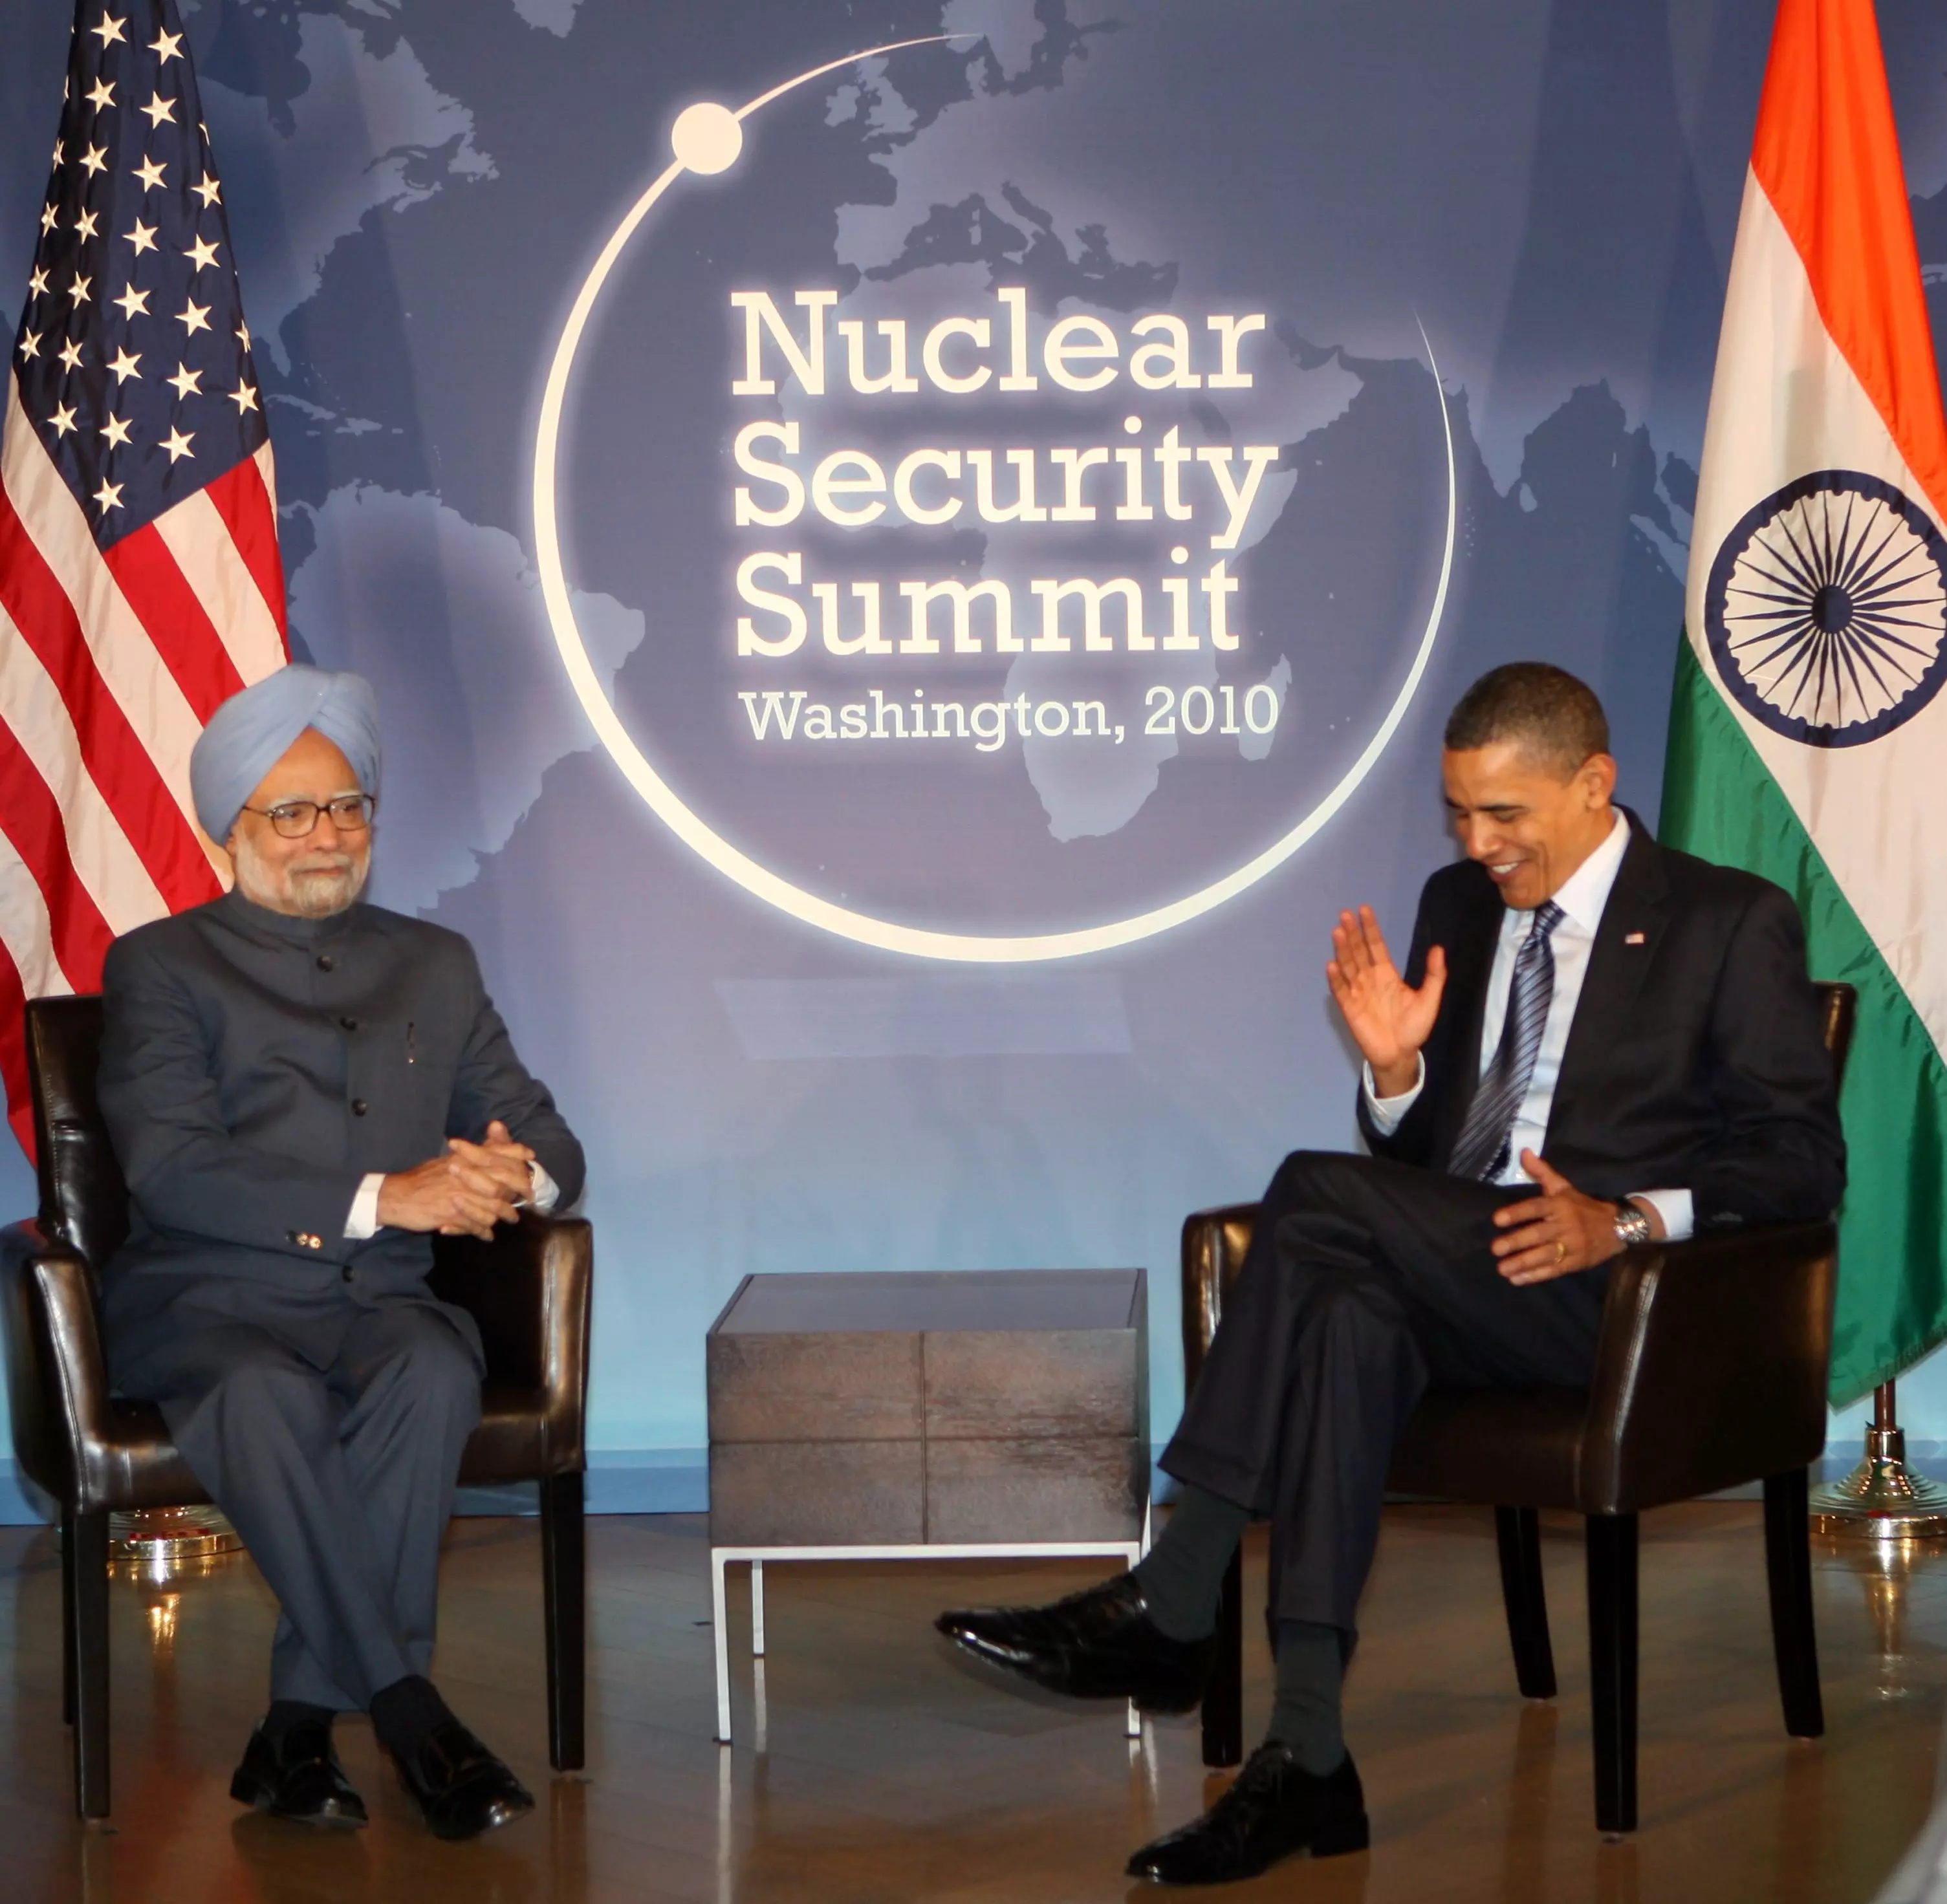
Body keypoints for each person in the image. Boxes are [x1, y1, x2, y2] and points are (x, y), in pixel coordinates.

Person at [938, 662, 1845, 1886]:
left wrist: (1622, 1222)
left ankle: (1174, 1595)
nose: (1476, 844)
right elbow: (1420, 1169)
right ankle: (1307, 1757)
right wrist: (1394, 1079)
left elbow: (1800, 1160)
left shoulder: (1725, 921)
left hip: (1623, 1309)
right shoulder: (1459, 906)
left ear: (1593, 785)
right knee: (1348, 1315)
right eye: (1457, 813)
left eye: (1503, 816)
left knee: (1311, 1195)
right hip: (1463, 1271)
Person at [96, 665, 585, 1840]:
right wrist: (386, 1194)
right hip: (210, 1300)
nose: (328, 835)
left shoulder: (436, 962)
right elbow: (173, 1169)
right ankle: (412, 1712)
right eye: (292, 812)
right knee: (260, 1392)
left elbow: (547, 1132)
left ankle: (294, 1735)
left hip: (379, 1310)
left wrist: (506, 1176)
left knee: (432, 1366)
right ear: (231, 831)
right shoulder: (159, 968)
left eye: (348, 806)